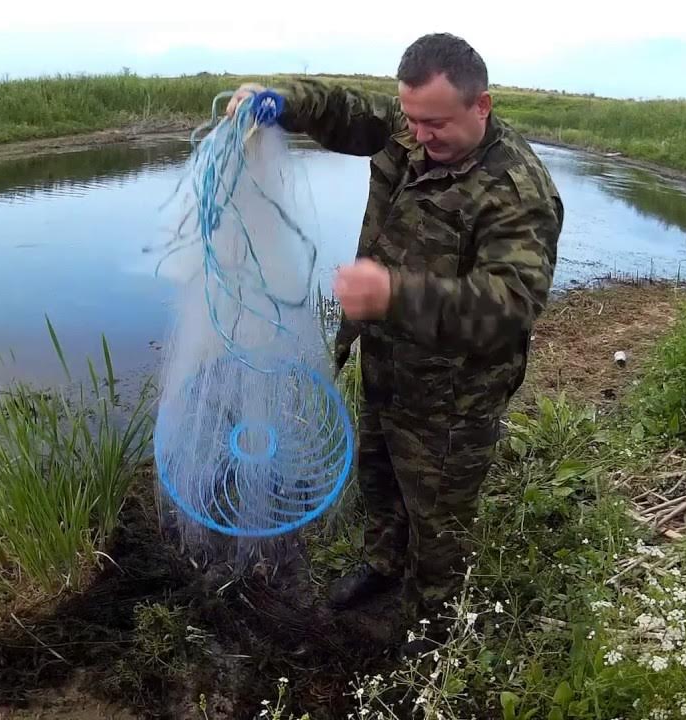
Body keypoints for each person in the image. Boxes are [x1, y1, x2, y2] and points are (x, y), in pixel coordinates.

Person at [228, 33, 563, 651]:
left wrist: (392, 296)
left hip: (455, 394)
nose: (419, 135)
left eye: (435, 123)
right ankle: (381, 568)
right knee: (379, 473)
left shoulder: (516, 190)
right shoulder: (408, 129)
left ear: (481, 106)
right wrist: (277, 99)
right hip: (386, 359)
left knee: (436, 516)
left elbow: (512, 304)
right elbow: (346, 112)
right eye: (411, 118)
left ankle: (431, 633)